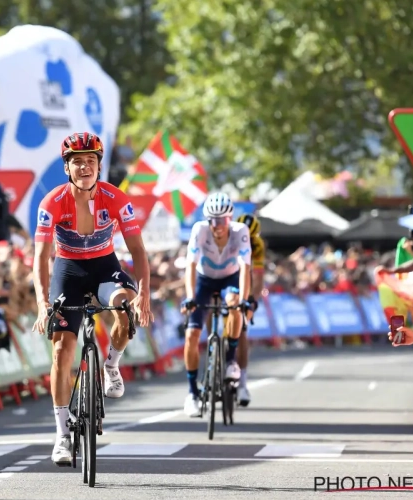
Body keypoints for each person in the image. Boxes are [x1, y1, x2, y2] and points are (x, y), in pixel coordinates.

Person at [31, 132, 153, 466]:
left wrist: (143, 294)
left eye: (91, 161)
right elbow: (40, 259)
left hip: (104, 266)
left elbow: (138, 250)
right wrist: (43, 302)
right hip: (67, 270)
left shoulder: (116, 198)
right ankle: (61, 436)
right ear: (67, 168)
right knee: (61, 350)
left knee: (124, 310)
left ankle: (111, 364)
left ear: (99, 165)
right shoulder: (52, 203)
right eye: (77, 162)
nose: (84, 167)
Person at [181, 192, 251, 417]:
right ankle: (192, 393)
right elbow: (190, 266)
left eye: (222, 220)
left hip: (230, 278)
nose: (217, 225)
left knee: (234, 304)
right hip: (204, 281)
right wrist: (191, 297)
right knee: (192, 335)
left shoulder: (241, 232)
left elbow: (246, 269)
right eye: (213, 220)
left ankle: (231, 360)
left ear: (230, 219)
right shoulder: (200, 230)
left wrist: (244, 300)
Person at [235, 213, 265, 407]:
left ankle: (242, 383)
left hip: (245, 284)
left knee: (242, 331)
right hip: (224, 279)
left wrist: (252, 299)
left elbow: (258, 277)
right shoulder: (228, 237)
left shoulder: (258, 246)